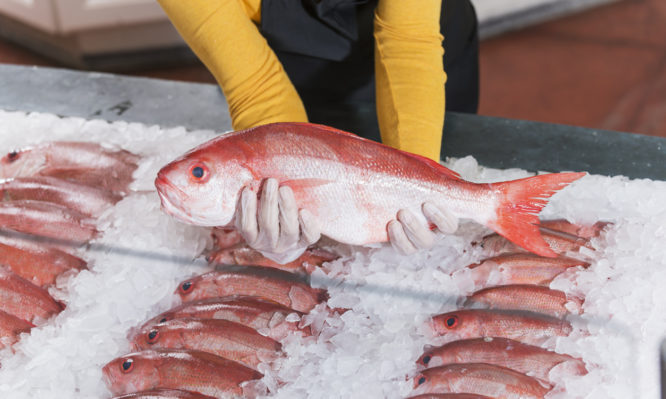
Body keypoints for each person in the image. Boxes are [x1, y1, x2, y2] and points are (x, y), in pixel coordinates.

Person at [157, 0, 479, 262]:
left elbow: (408, 41)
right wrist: (283, 222)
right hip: (292, 72)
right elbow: (257, 87)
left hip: (418, 68)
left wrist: (416, 186)